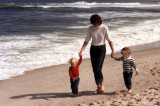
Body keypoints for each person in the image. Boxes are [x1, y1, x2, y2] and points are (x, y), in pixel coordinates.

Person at [79, 14, 114, 94]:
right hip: (93, 49)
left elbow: (109, 40)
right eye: (93, 23)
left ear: (98, 21)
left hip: (101, 49)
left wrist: (112, 50)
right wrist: (81, 51)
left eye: (95, 22)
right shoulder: (90, 28)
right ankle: (98, 86)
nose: (94, 24)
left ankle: (101, 84)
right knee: (95, 69)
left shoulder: (104, 28)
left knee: (98, 68)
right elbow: (87, 40)